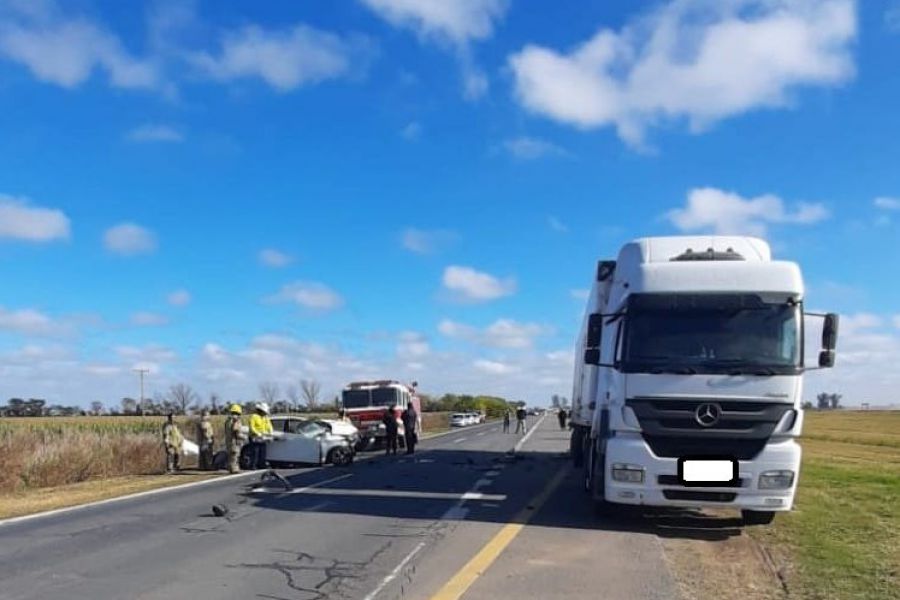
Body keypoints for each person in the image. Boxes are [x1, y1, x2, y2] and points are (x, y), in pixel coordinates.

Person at [248, 402, 274, 470]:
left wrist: (270, 432)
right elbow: (251, 427)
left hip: (263, 437)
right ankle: (253, 465)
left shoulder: (265, 417)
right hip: (255, 437)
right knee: (255, 452)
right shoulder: (254, 417)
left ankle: (261, 465)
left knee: (263, 452)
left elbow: (269, 425)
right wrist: (257, 433)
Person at [224, 403, 247, 474]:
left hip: (228, 440)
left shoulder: (227, 420)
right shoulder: (236, 420)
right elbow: (236, 431)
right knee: (235, 456)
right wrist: (244, 437)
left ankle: (230, 468)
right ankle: (234, 469)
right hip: (234, 441)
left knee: (230, 455)